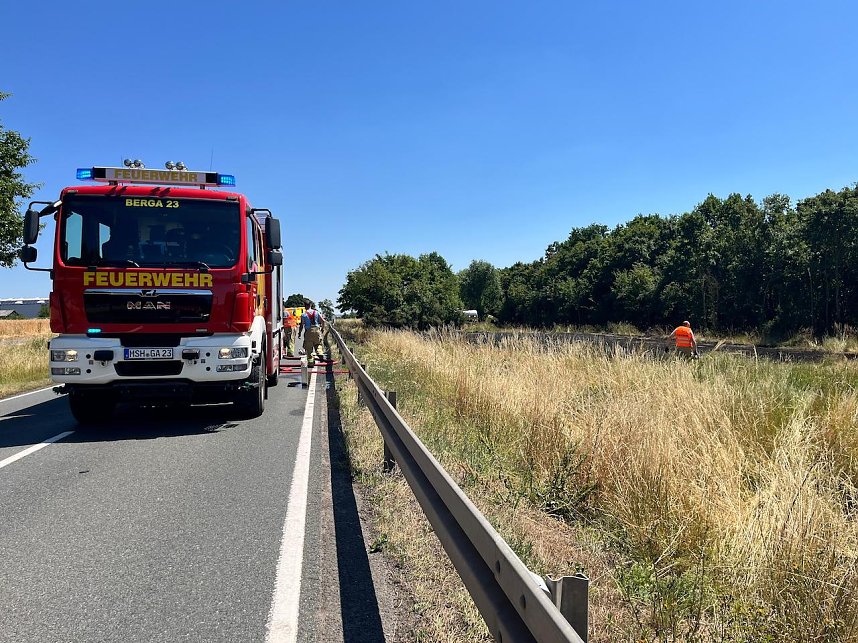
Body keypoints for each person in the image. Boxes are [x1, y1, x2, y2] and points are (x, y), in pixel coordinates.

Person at [298, 300, 325, 366]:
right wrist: (322, 329)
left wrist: (299, 333)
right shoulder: (317, 312)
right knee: (318, 344)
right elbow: (323, 321)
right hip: (317, 330)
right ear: (310, 305)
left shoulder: (303, 315)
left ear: (305, 306)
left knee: (309, 348)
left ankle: (310, 363)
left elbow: (301, 325)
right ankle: (320, 353)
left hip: (308, 331)